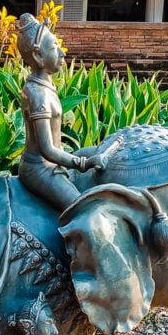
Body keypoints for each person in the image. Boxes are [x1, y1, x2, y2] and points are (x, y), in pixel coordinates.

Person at [16, 12, 106, 212]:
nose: (63, 53)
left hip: (54, 159)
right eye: (55, 47)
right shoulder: (37, 94)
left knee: (102, 152)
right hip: (40, 167)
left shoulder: (43, 85)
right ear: (38, 55)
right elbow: (47, 150)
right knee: (83, 209)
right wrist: (83, 163)